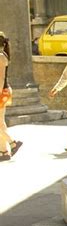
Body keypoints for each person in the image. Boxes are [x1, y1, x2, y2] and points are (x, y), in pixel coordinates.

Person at [0, 31, 22, 162]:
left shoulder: (1, 57)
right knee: (0, 123)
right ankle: (4, 151)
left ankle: (13, 143)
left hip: (2, 92)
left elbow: (1, 78)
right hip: (3, 91)